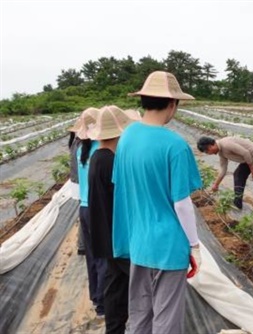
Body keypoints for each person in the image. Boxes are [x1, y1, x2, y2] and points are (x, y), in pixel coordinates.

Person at [112, 71, 202, 334]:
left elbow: (122, 186)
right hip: (168, 244)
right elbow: (182, 204)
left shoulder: (127, 137)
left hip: (138, 240)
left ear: (144, 100)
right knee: (167, 317)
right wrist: (194, 245)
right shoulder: (175, 145)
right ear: (172, 104)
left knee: (139, 313)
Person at [88, 106, 140, 334]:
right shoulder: (110, 161)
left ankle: (115, 329)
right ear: (119, 132)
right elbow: (124, 200)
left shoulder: (97, 158)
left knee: (114, 287)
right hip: (117, 236)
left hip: (104, 234)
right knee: (143, 284)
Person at [75, 107, 106, 317]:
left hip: (84, 207)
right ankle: (104, 303)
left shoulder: (81, 149)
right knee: (104, 256)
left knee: (92, 256)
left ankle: (96, 297)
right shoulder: (99, 150)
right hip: (98, 208)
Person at [197, 136, 253, 213]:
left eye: (207, 151)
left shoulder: (226, 144)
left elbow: (246, 153)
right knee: (238, 175)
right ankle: (237, 203)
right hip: (248, 159)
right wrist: (216, 184)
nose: (209, 153)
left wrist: (252, 169)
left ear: (211, 146)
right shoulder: (221, 153)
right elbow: (223, 169)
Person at [67, 120, 85, 256]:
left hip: (76, 182)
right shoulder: (80, 145)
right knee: (84, 211)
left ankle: (82, 244)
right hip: (80, 182)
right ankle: (82, 244)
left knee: (83, 211)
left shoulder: (74, 143)